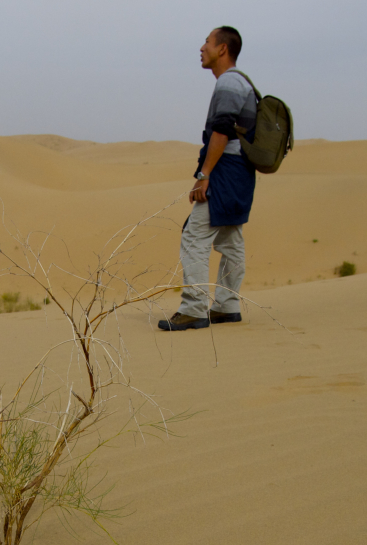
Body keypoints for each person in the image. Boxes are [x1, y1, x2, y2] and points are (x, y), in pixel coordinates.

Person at [159, 26, 258, 331]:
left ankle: (194, 308)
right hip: (240, 171)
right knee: (230, 238)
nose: (201, 48)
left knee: (195, 236)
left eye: (207, 43)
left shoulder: (229, 82)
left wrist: (204, 175)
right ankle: (227, 306)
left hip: (226, 170)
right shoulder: (241, 82)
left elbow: (222, 130)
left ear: (222, 49)